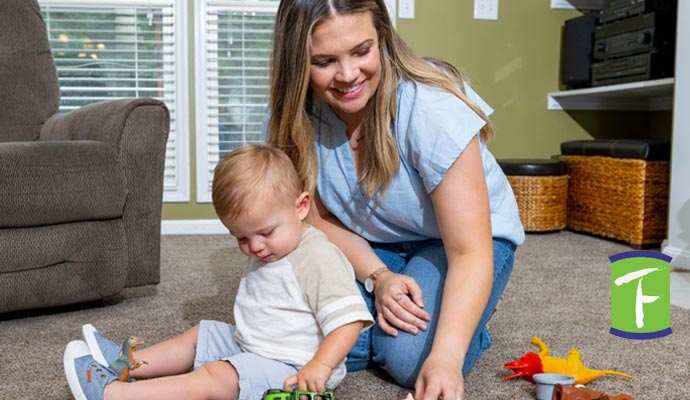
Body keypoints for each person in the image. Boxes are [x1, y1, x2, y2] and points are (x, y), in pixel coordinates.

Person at [265, 1, 525, 399]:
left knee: (410, 360)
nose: (348, 75)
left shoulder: (430, 106)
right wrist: (378, 276)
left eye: (361, 51)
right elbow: (313, 219)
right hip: (374, 244)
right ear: (298, 62)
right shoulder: (300, 118)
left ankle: (469, 323)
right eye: (324, 61)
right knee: (284, 323)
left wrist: (447, 360)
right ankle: (411, 308)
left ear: (383, 39)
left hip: (463, 243)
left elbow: (469, 250)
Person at [63, 144, 374, 400]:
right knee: (200, 335)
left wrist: (319, 367)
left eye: (265, 232)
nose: (255, 247)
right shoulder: (274, 246)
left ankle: (115, 396)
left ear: (302, 206)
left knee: (216, 377)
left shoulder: (318, 257)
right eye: (241, 238)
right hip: (255, 343)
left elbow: (349, 321)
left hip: (293, 367)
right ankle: (124, 365)